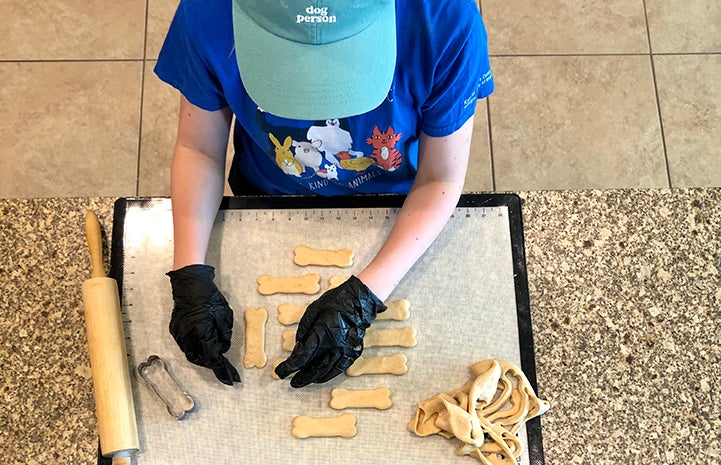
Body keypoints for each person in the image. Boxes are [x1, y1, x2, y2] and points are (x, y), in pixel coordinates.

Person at [157, 0, 494, 388]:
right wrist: (189, 274)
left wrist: (365, 298)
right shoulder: (208, 11)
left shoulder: (444, 20)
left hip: (398, 205)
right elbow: (199, 149)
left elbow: (440, 179)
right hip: (267, 192)